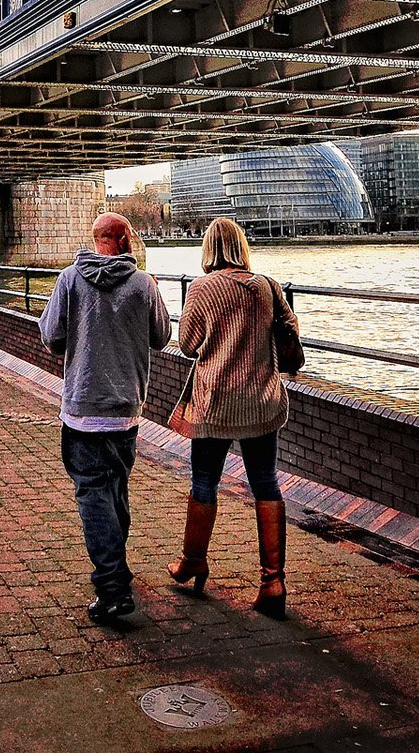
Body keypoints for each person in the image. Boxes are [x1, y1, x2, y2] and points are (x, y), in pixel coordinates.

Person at [37, 212, 172, 624]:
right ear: (124, 239)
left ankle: (112, 588)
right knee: (114, 490)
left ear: (96, 239)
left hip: (82, 409)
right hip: (126, 411)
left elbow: (51, 337)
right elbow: (162, 337)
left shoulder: (69, 280)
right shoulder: (143, 284)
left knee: (93, 495)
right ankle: (117, 570)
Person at [166, 217, 303, 618]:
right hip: (262, 401)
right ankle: (272, 581)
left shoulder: (201, 288)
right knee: (265, 483)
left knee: (204, 480)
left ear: (208, 249)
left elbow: (188, 344)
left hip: (216, 403)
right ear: (242, 247)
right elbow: (291, 331)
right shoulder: (267, 286)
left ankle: (193, 561)